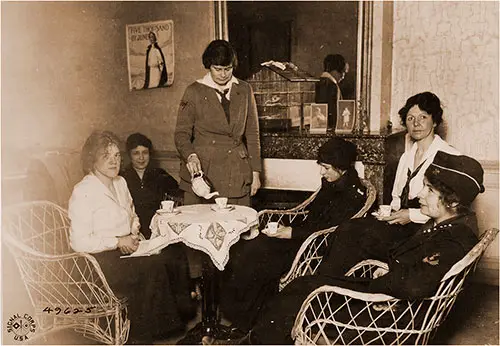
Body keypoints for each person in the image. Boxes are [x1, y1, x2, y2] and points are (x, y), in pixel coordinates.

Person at [249, 151, 484, 344]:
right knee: (303, 286)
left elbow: (415, 286)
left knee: (299, 295)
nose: (420, 194)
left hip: (388, 311)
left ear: (452, 202)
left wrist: (388, 274)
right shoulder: (449, 225)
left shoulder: (454, 239)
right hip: (387, 296)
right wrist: (391, 268)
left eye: (430, 190)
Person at [219, 138, 369, 332]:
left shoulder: (352, 193)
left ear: (342, 168)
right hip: (303, 236)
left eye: (326, 168)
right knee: (250, 248)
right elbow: (311, 213)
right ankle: (244, 316)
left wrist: (292, 233)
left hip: (315, 246)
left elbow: (333, 230)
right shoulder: (331, 182)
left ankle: (246, 322)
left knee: (259, 256)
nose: (322, 173)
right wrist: (288, 226)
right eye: (321, 167)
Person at [68, 131, 194, 344]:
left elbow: (132, 214)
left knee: (173, 253)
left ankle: (178, 322)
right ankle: (141, 336)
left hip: (124, 248)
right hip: (98, 261)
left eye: (117, 156)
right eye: (106, 156)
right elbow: (79, 241)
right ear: (92, 159)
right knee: (152, 266)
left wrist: (135, 232)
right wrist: (117, 242)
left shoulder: (120, 183)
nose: (114, 161)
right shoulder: (83, 191)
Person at [174, 39, 262, 207]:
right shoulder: (193, 91)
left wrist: (256, 172)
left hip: (237, 173)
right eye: (218, 69)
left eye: (228, 69)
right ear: (209, 66)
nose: (223, 74)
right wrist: (190, 156)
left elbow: (252, 133)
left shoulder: (244, 89)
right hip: (204, 173)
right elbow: (181, 134)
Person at [121, 132, 181, 239]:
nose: (141, 158)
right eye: (136, 153)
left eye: (145, 152)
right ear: (129, 155)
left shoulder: (160, 174)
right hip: (132, 232)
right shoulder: (122, 178)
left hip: (159, 230)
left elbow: (178, 195)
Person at [315, 54, 349, 130]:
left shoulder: (318, 82)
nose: (343, 76)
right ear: (334, 71)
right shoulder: (333, 86)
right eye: (342, 72)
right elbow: (334, 111)